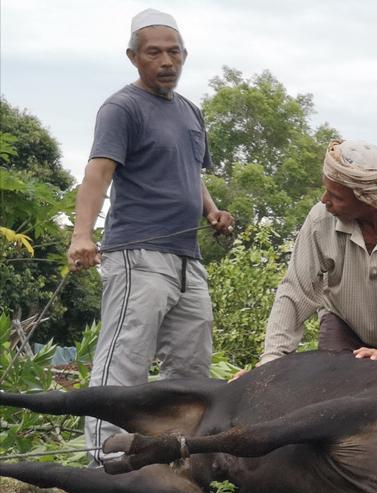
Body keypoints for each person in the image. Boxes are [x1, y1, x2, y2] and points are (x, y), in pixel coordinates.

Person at [67, 9, 234, 467]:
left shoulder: (190, 112)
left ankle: (172, 460)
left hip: (187, 258)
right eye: (154, 52)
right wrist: (82, 234)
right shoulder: (122, 108)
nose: (166, 61)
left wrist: (211, 209)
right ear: (133, 57)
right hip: (136, 254)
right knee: (125, 362)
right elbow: (98, 172)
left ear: (185, 56)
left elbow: (190, 173)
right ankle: (104, 463)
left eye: (174, 52)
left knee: (191, 367)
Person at [253, 139, 377, 375]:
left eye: (336, 196)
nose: (324, 201)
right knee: (335, 398)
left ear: (367, 199)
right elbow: (295, 290)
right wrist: (272, 360)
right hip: (343, 331)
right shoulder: (320, 220)